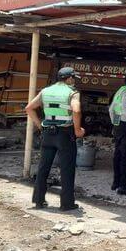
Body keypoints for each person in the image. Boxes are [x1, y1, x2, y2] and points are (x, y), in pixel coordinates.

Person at [25, 67, 85, 211]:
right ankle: (66, 204)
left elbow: (29, 108)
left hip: (47, 133)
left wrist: (40, 126)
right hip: (65, 133)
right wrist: (77, 130)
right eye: (73, 78)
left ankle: (38, 201)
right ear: (69, 78)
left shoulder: (45, 91)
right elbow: (76, 110)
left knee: (43, 167)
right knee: (67, 168)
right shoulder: (72, 93)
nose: (74, 80)